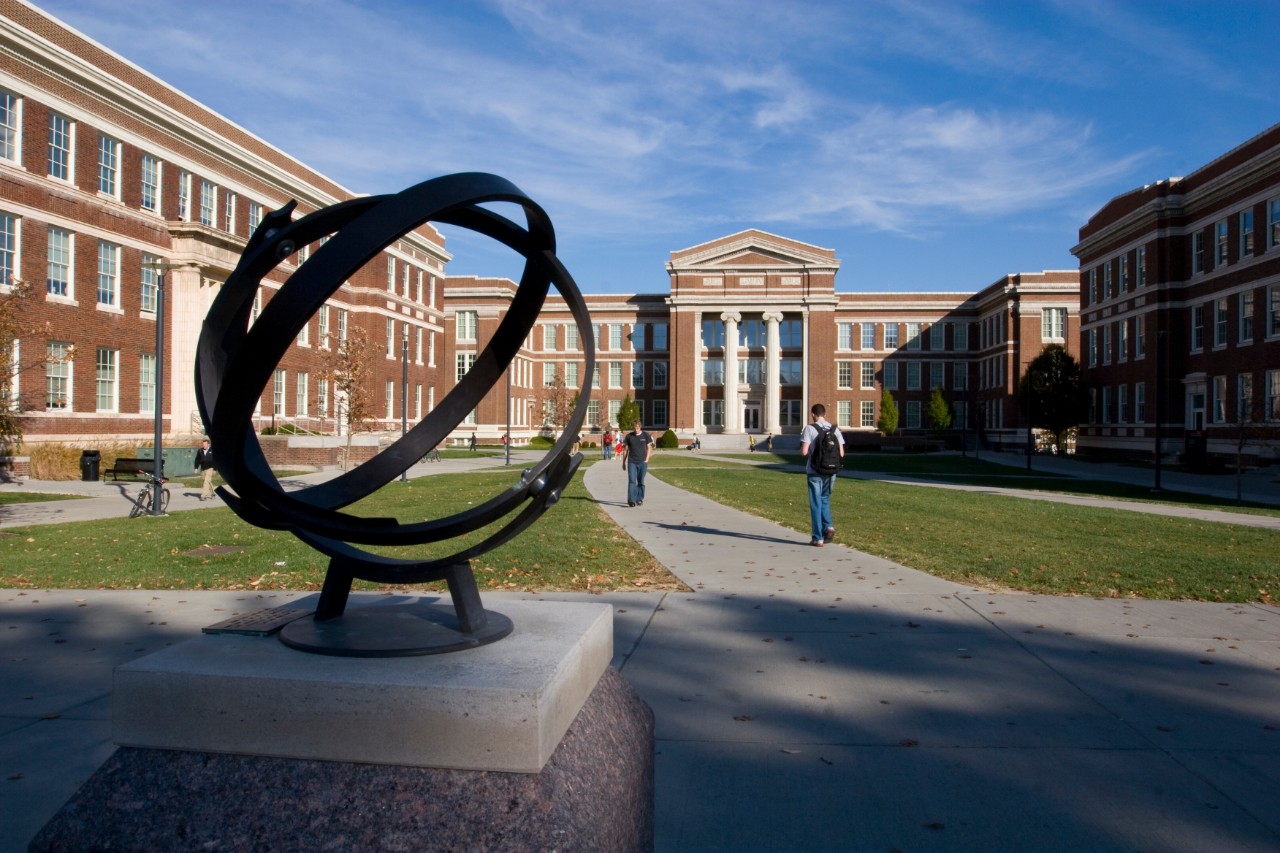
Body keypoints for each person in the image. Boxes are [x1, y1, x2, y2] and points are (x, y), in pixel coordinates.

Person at [798, 403, 844, 547]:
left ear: (813, 414)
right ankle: (829, 527)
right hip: (831, 472)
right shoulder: (835, 429)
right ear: (824, 414)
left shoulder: (810, 429)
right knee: (825, 500)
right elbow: (842, 453)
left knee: (815, 503)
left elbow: (804, 452)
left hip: (815, 472)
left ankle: (818, 538)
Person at [620, 420, 654, 507]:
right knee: (632, 481)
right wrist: (623, 462)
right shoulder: (629, 436)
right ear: (633, 428)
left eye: (638, 428)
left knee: (641, 481)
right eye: (634, 428)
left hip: (642, 462)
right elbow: (626, 450)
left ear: (640, 427)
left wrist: (646, 459)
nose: (636, 430)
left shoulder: (645, 435)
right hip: (632, 462)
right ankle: (631, 500)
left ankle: (639, 499)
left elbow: (649, 448)